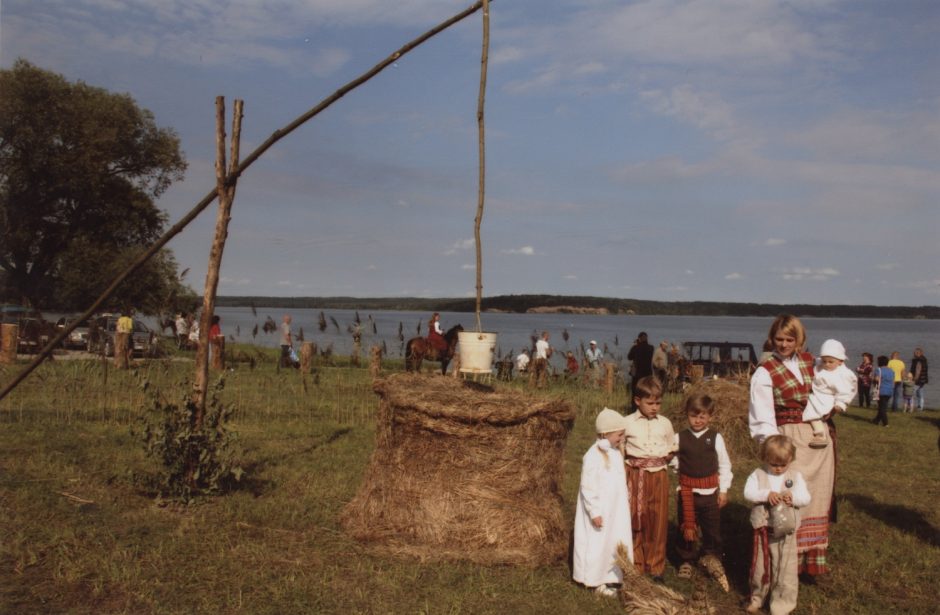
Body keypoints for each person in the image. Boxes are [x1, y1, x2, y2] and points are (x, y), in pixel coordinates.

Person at [748, 314, 834, 582]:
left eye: (790, 339)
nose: (784, 344)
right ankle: (784, 564)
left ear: (800, 340)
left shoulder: (813, 363)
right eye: (779, 339)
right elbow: (761, 414)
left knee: (816, 499)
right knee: (789, 497)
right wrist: (774, 447)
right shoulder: (765, 370)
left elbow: (836, 384)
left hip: (819, 441)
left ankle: (809, 564)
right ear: (771, 339)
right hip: (789, 438)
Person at [670, 392, 732, 590]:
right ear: (687, 415)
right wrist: (676, 466)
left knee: (712, 530)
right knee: (685, 529)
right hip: (687, 493)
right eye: (693, 415)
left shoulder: (715, 438)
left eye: (702, 416)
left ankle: (711, 560)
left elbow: (724, 465)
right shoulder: (679, 437)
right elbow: (674, 460)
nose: (697, 420)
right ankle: (686, 560)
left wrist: (723, 491)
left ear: (710, 417)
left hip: (710, 494)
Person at [744, 435, 811, 615]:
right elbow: (748, 493)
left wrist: (793, 498)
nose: (779, 468)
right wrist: (766, 495)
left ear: (791, 460)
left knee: (785, 569)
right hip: (763, 530)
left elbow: (806, 498)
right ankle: (757, 598)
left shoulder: (795, 477)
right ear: (765, 459)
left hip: (786, 533)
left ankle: (781, 605)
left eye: (783, 464)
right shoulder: (758, 474)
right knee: (760, 568)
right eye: (774, 464)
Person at [573, 408, 633, 597]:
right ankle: (594, 579)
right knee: (597, 543)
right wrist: (594, 511)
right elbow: (588, 487)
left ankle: (612, 576)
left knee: (613, 540)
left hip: (614, 508)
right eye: (619, 434)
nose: (622, 438)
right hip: (600, 510)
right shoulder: (593, 455)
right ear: (605, 433)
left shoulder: (615, 452)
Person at [622, 376, 676, 581]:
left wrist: (665, 457)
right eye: (650, 403)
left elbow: (671, 447)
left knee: (658, 519)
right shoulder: (626, 422)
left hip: (659, 475)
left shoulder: (665, 423)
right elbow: (620, 450)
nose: (655, 407)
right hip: (634, 474)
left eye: (658, 403)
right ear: (637, 401)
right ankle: (636, 562)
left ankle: (655, 566)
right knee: (636, 516)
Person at [802, 340, 857, 449]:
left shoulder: (842, 375)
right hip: (816, 394)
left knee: (813, 414)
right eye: (824, 361)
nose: (826, 364)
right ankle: (819, 431)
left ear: (840, 361)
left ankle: (820, 434)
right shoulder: (821, 365)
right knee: (810, 411)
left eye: (830, 362)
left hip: (827, 398)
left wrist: (840, 405)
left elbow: (845, 392)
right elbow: (816, 361)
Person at [627, 332, 654, 411]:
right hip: (647, 374)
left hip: (637, 375)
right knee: (646, 392)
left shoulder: (636, 348)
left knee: (635, 392)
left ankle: (634, 409)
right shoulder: (651, 348)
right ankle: (646, 408)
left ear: (639, 338)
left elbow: (629, 357)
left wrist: (635, 345)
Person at [872, 356, 894, 427]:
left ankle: (886, 423)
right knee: (883, 406)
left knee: (882, 408)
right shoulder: (891, 371)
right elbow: (893, 381)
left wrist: (872, 378)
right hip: (889, 390)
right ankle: (876, 420)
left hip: (880, 390)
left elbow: (877, 379)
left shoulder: (878, 370)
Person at [910, 347, 928, 412]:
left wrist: (915, 379)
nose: (915, 353)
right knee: (920, 393)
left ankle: (910, 408)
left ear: (921, 353)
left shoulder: (919, 360)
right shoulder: (924, 360)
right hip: (923, 380)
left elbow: (918, 370)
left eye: (917, 352)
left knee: (911, 393)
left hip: (918, 380)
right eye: (915, 352)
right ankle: (920, 407)